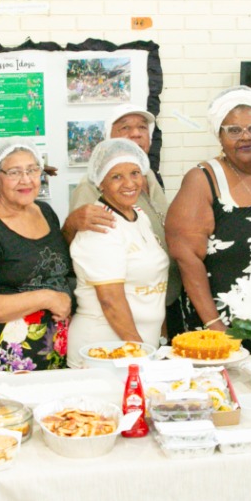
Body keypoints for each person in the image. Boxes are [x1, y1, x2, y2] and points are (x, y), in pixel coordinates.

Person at [167, 86, 251, 349]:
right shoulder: (203, 180)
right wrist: (215, 325)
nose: (245, 137)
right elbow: (186, 258)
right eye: (234, 130)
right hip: (224, 329)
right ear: (220, 134)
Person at [0, 141, 74, 372]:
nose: (26, 179)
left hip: (56, 348)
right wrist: (48, 298)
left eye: (32, 170)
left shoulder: (45, 211)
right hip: (10, 357)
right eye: (14, 172)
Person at [64, 108, 179, 312]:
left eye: (142, 127)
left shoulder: (149, 177)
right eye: (125, 128)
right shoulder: (91, 187)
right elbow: (82, 248)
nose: (136, 134)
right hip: (125, 308)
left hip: (162, 300)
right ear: (108, 138)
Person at [67, 139, 171, 360]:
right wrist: (141, 354)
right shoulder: (100, 226)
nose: (129, 183)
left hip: (139, 345)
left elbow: (154, 284)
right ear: (100, 183)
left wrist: (158, 340)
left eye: (135, 173)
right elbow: (111, 302)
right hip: (105, 347)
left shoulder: (139, 215)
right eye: (116, 177)